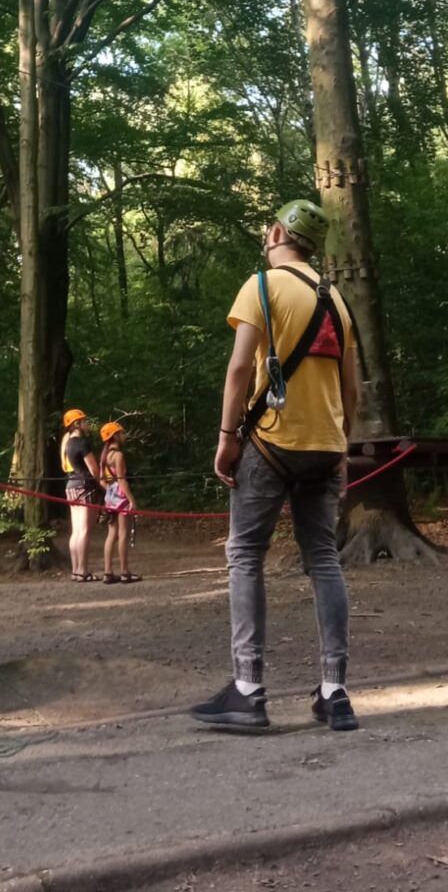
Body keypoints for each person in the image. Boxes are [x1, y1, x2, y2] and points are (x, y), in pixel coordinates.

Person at [192, 199, 359, 735]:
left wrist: (225, 437)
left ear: (275, 233)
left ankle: (248, 689)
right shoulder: (338, 302)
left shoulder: (261, 286)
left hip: (270, 444)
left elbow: (240, 366)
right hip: (326, 445)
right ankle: (335, 692)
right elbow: (350, 389)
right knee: (324, 559)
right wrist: (343, 450)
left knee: (244, 553)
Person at [60, 409, 101, 582]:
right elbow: (93, 469)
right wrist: (102, 484)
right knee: (84, 531)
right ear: (77, 424)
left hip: (71, 486)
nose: (87, 423)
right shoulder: (82, 443)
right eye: (84, 421)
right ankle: (83, 570)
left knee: (76, 531)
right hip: (85, 486)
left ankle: (76, 570)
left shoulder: (68, 444)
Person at [100, 422, 142, 584]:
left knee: (111, 535)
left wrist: (111, 491)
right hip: (121, 496)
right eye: (122, 432)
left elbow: (102, 480)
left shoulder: (104, 455)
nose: (125, 435)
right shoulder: (118, 455)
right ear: (115, 436)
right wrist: (131, 500)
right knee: (123, 534)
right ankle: (125, 572)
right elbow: (122, 480)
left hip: (110, 497)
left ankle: (108, 572)